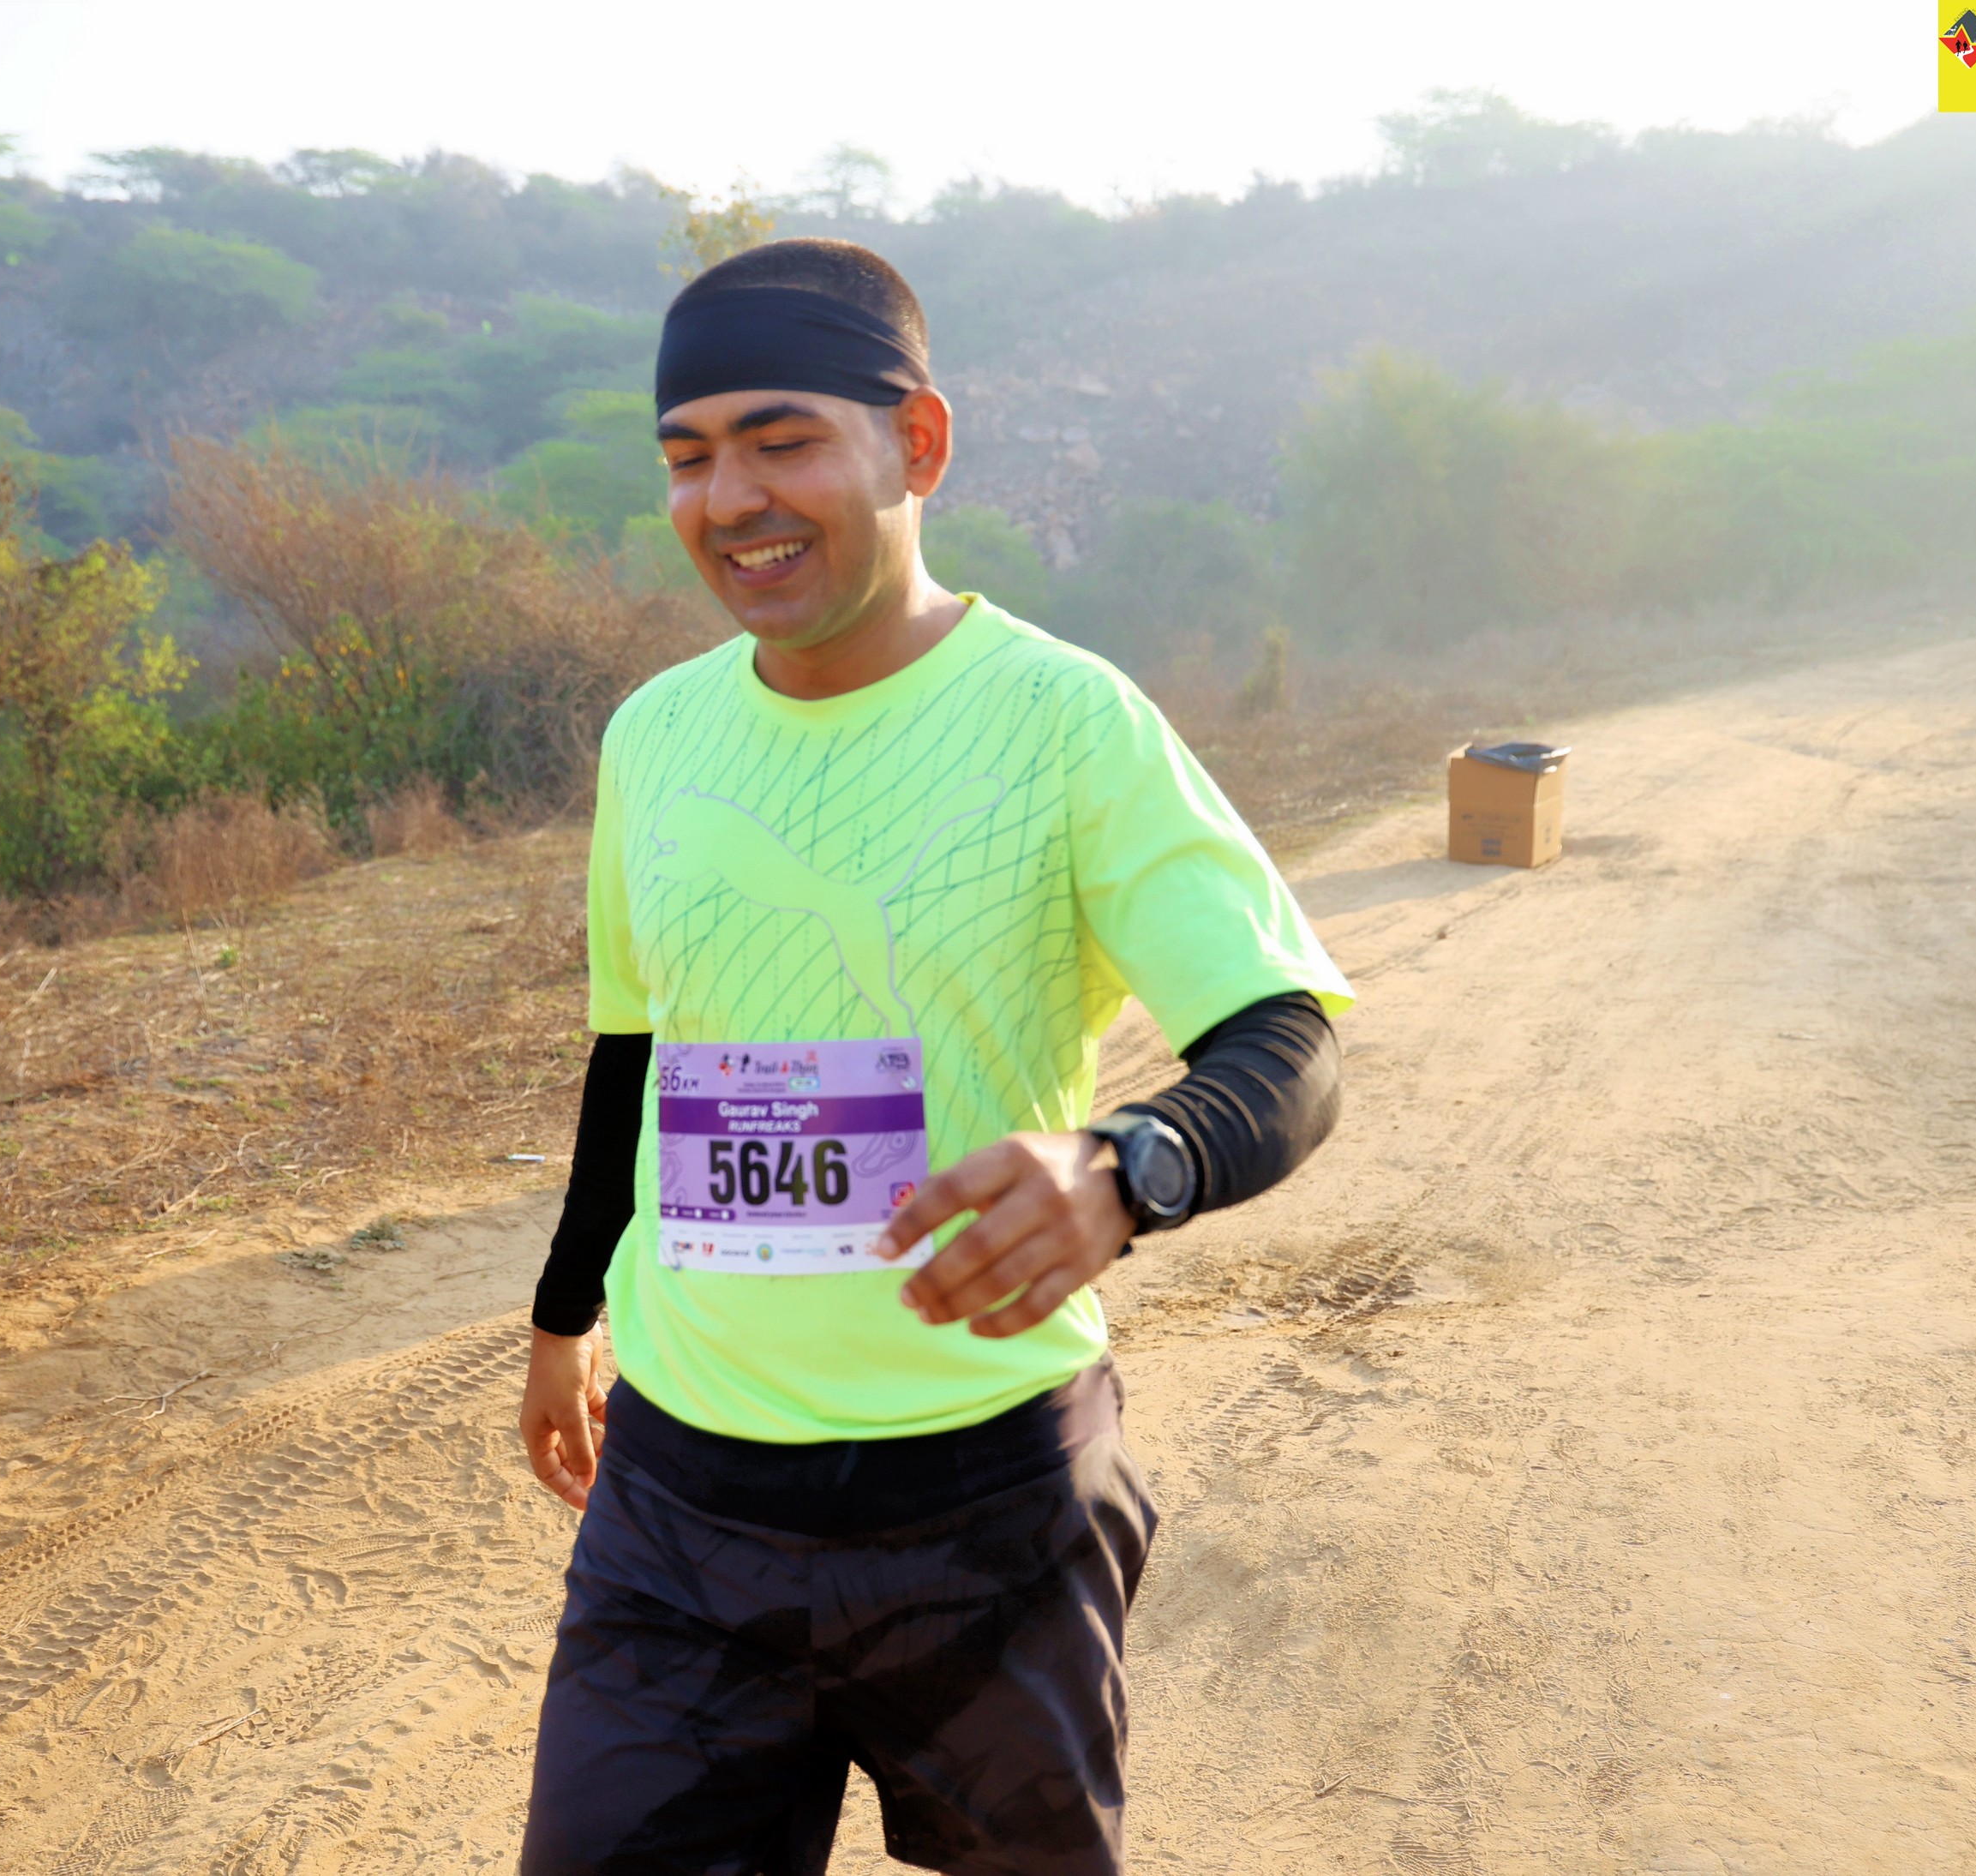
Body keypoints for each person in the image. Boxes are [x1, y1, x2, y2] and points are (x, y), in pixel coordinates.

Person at [514, 237, 1353, 1876]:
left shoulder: (1068, 721)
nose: (729, 499)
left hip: (985, 1509)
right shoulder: (654, 734)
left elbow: (1286, 1039)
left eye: (781, 440)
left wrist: (1128, 1165)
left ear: (918, 441)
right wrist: (564, 1313)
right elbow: (634, 1052)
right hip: (679, 1505)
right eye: (687, 457)